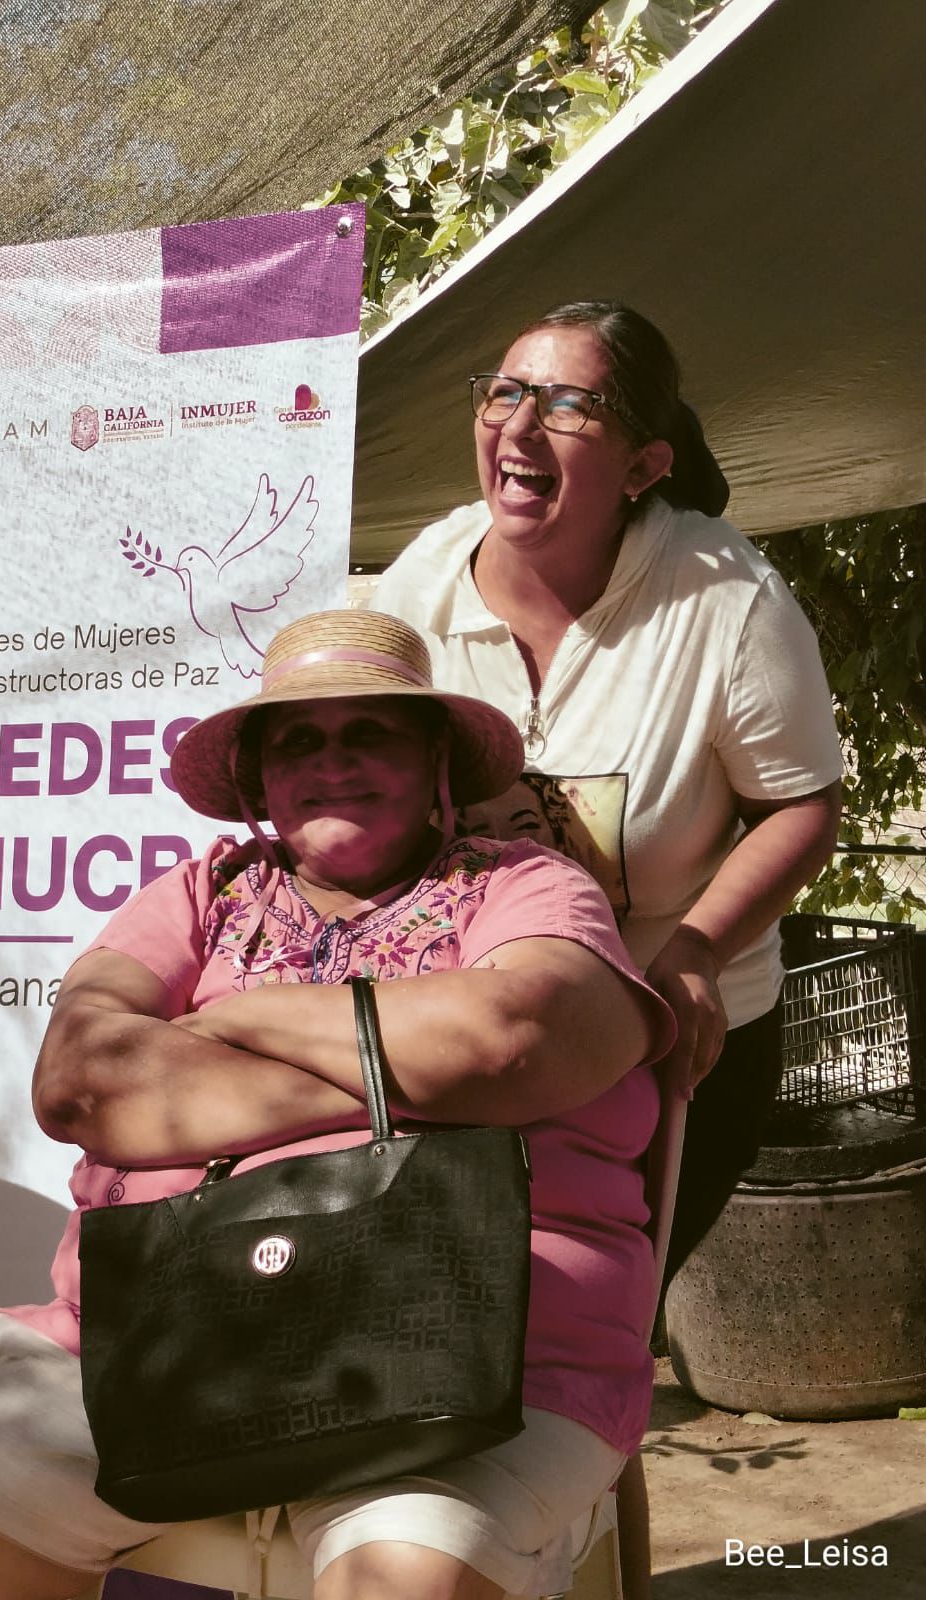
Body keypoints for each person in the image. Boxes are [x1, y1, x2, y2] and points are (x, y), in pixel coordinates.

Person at [0, 607, 676, 1600]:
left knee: (410, 1571)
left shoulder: (522, 886)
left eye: (370, 732)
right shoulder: (196, 895)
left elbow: (513, 1038)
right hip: (171, 1341)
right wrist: (417, 1077)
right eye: (297, 739)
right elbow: (80, 1080)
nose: (331, 760)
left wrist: (232, 1022)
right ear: (259, 779)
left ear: (438, 758)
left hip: (484, 1354)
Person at [370, 300, 844, 1592]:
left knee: (586, 1352)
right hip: (489, 1046)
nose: (519, 425)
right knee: (486, 1348)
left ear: (645, 464)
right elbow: (357, 783)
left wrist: (690, 947)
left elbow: (803, 801)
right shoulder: (419, 585)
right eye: (502, 390)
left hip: (682, 1054)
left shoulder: (726, 598)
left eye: (569, 405)